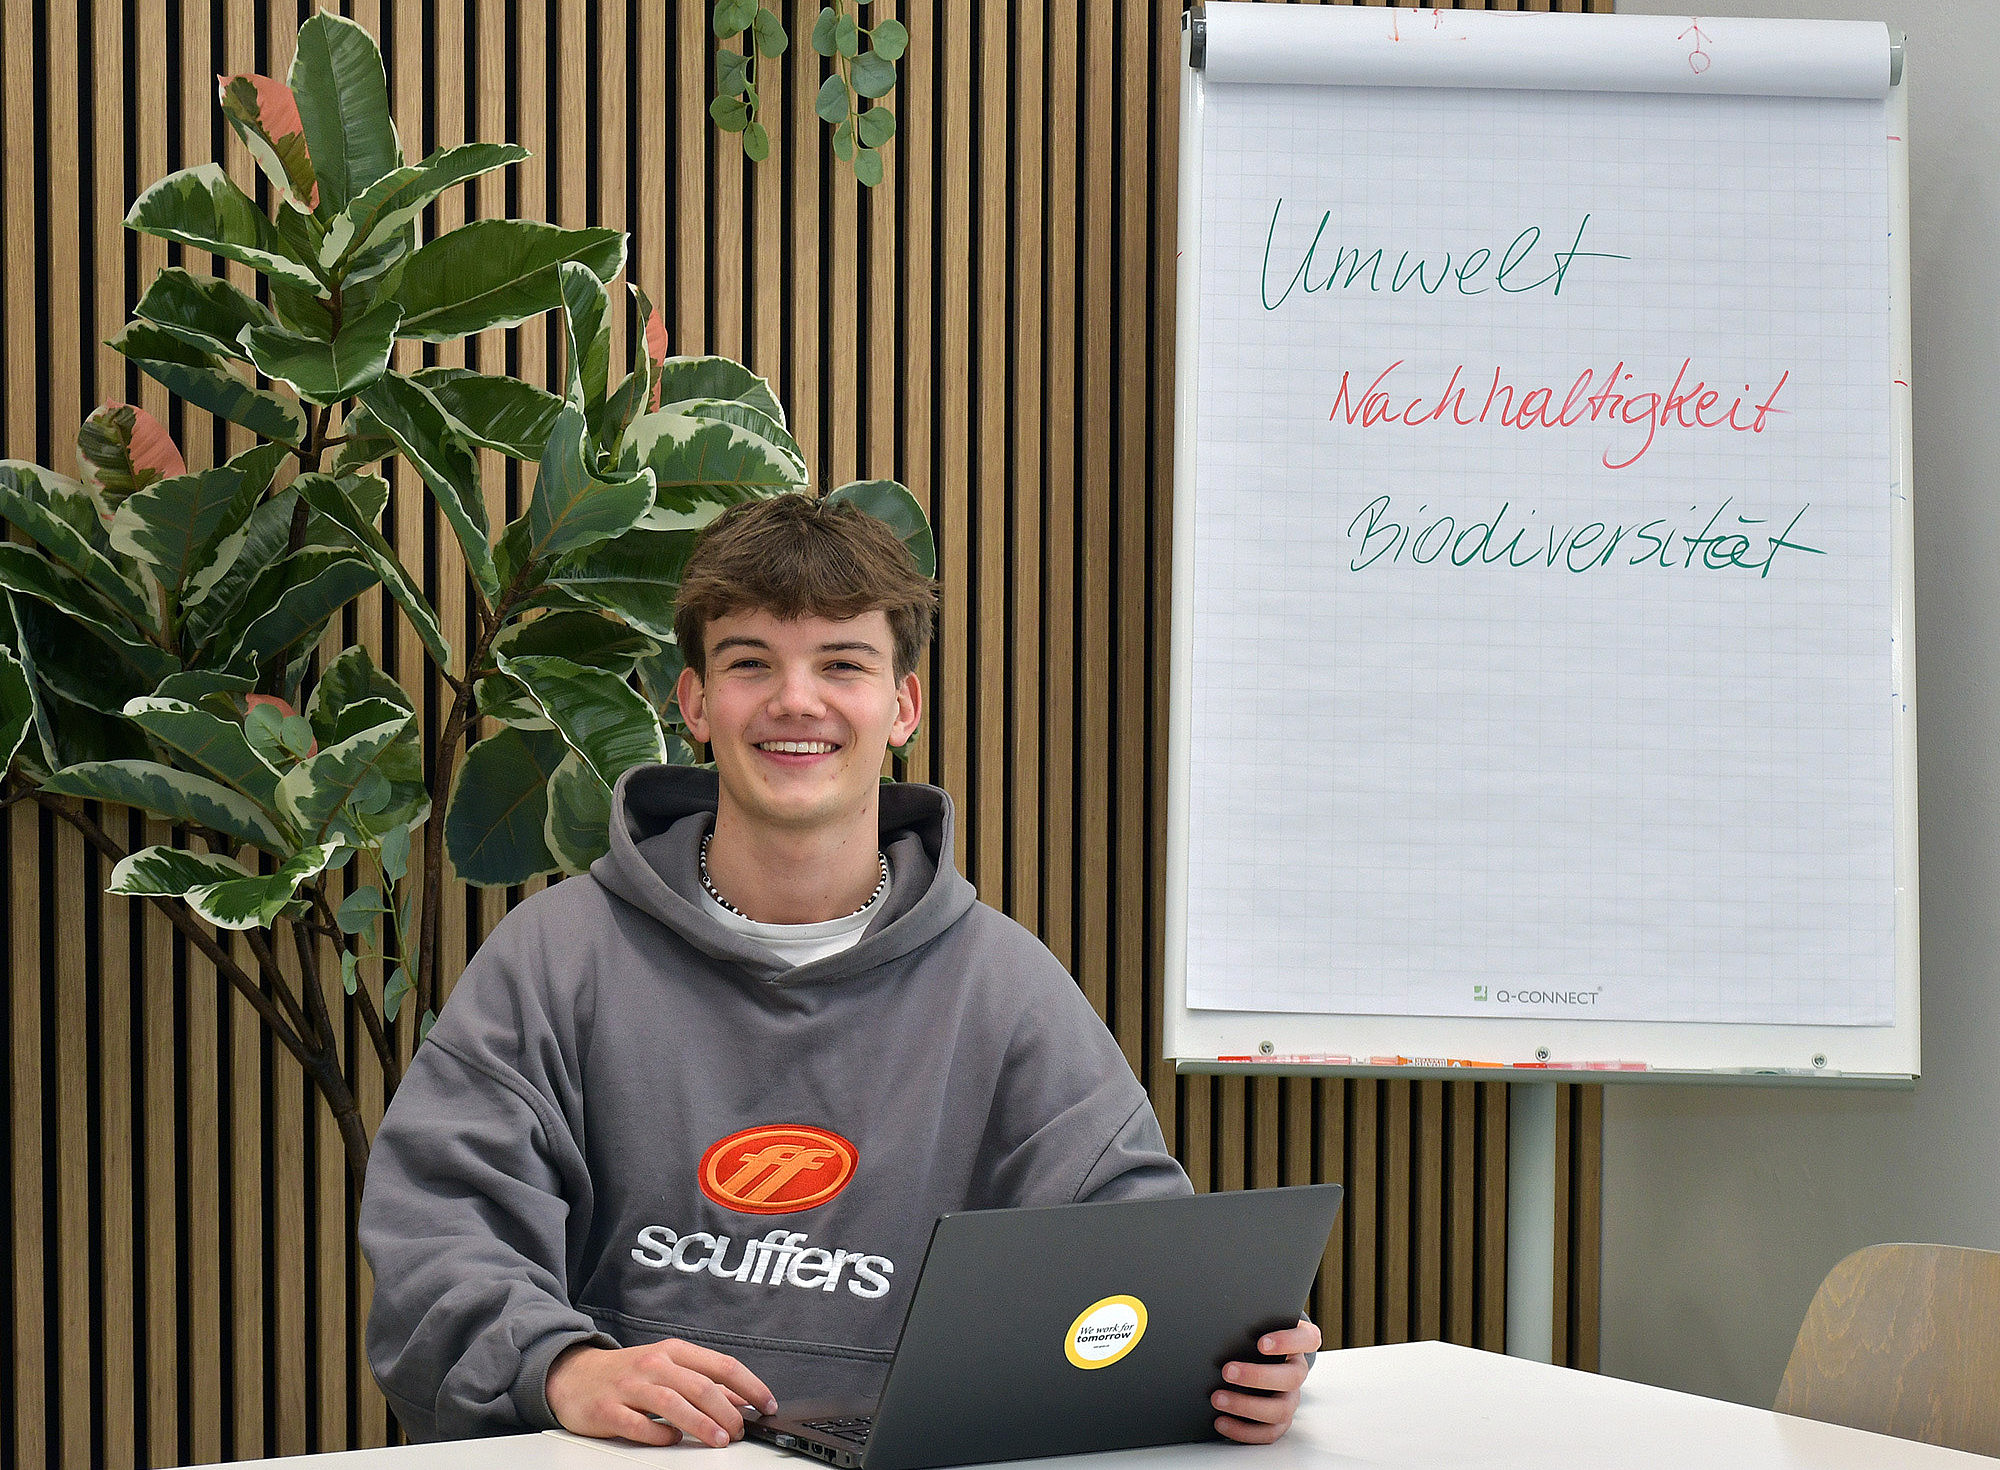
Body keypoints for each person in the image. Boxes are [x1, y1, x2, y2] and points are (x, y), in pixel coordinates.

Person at [358, 493, 1319, 1447]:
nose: (796, 701)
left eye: (842, 664)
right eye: (750, 664)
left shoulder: (1004, 987)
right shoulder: (555, 957)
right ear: (694, 702)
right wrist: (563, 1367)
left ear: (900, 705)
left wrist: (1228, 1365)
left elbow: (1133, 1255)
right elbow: (439, 1241)